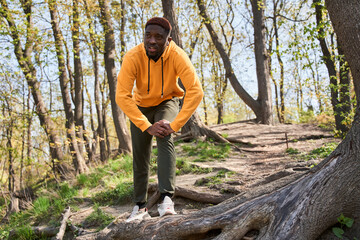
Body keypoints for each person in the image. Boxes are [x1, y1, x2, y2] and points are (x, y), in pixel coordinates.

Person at [116, 17, 203, 222]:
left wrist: (175, 125)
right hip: (140, 106)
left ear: (168, 40)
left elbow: (195, 91)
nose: (152, 41)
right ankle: (139, 206)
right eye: (148, 35)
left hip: (167, 101)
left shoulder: (177, 55)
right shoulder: (133, 56)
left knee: (164, 135)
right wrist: (146, 126)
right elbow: (122, 96)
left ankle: (166, 199)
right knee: (140, 153)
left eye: (158, 37)